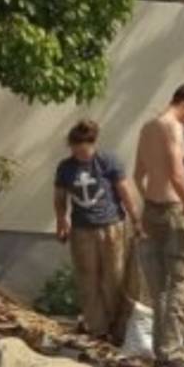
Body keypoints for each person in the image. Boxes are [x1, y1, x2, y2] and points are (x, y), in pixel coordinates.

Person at [133, 83, 184, 364]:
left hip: (151, 211)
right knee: (182, 284)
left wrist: (149, 201)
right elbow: (177, 175)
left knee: (160, 288)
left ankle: (160, 350)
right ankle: (172, 351)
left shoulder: (147, 127)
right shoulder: (172, 127)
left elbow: (138, 175)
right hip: (174, 212)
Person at [53, 119, 141, 340]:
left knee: (114, 278)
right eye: (76, 150)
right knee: (88, 280)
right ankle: (97, 328)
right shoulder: (65, 167)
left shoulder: (108, 161)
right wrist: (61, 220)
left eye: (84, 150)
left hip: (111, 226)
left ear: (93, 144)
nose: (80, 154)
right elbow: (60, 196)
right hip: (82, 230)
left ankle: (118, 328)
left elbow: (124, 191)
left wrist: (136, 219)